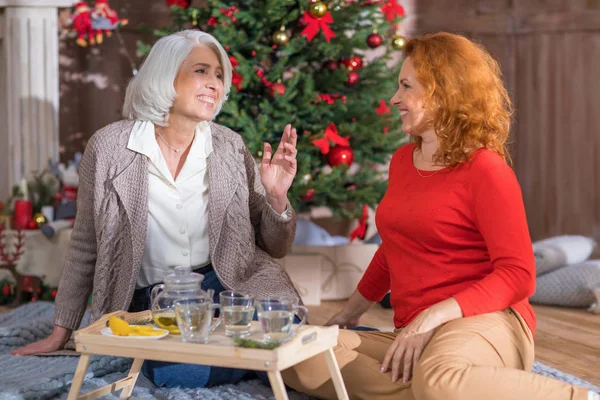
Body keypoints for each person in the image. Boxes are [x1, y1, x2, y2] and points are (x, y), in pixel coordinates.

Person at [281, 32, 597, 400]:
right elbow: (395, 248)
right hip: (414, 332)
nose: (394, 98)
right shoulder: (402, 162)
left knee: (438, 380)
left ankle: (579, 397)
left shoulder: (487, 171)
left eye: (405, 86)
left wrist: (434, 316)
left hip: (487, 323)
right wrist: (348, 316)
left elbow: (519, 275)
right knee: (297, 353)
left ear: (442, 92)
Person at [12, 29, 302, 388]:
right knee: (171, 373)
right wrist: (63, 330)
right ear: (165, 75)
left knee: (279, 318)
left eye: (218, 75)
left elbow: (275, 246)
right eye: (201, 71)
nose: (214, 83)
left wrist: (276, 199)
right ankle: (265, 359)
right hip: (152, 300)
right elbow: (85, 244)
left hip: (226, 284)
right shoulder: (108, 148)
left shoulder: (229, 145)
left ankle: (250, 349)